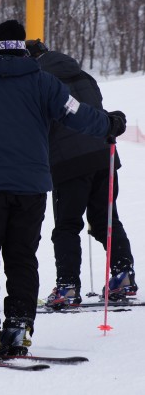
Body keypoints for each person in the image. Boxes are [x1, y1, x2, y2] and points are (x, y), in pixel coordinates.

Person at [0, 20, 127, 360]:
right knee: (22, 258)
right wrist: (108, 123)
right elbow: (78, 115)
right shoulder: (43, 82)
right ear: (21, 46)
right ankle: (18, 327)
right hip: (31, 188)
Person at [25, 40, 137, 307]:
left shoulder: (38, 81)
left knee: (67, 225)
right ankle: (122, 274)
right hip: (103, 154)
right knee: (107, 219)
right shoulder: (81, 74)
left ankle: (67, 286)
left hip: (68, 161)